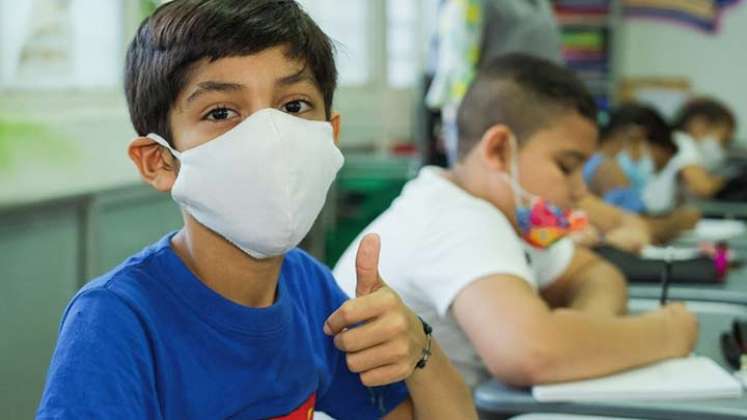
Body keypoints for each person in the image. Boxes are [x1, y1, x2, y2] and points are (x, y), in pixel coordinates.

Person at [36, 1, 475, 419]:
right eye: (222, 111)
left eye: (293, 106)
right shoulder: (116, 322)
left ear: (329, 134)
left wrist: (420, 345)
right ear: (160, 161)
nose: (271, 137)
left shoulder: (309, 291)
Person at [334, 54, 699, 388]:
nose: (578, 190)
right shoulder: (455, 219)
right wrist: (669, 332)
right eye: (567, 167)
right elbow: (531, 353)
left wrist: (585, 333)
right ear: (498, 150)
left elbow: (600, 275)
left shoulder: (505, 214)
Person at [581, 104, 700, 244]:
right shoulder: (607, 169)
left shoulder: (597, 163)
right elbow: (639, 228)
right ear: (633, 135)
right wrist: (677, 223)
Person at [671, 97, 737, 198]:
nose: (722, 148)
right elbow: (704, 188)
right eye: (723, 141)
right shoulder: (682, 142)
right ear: (699, 124)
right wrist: (729, 178)